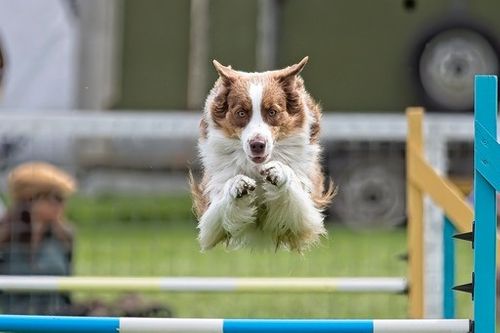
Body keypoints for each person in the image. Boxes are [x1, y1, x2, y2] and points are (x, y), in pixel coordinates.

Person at [0, 162, 76, 314]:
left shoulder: (64, 236)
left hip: (56, 321)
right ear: (30, 199)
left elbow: (67, 290)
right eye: (56, 198)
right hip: (13, 322)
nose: (62, 205)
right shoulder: (5, 237)